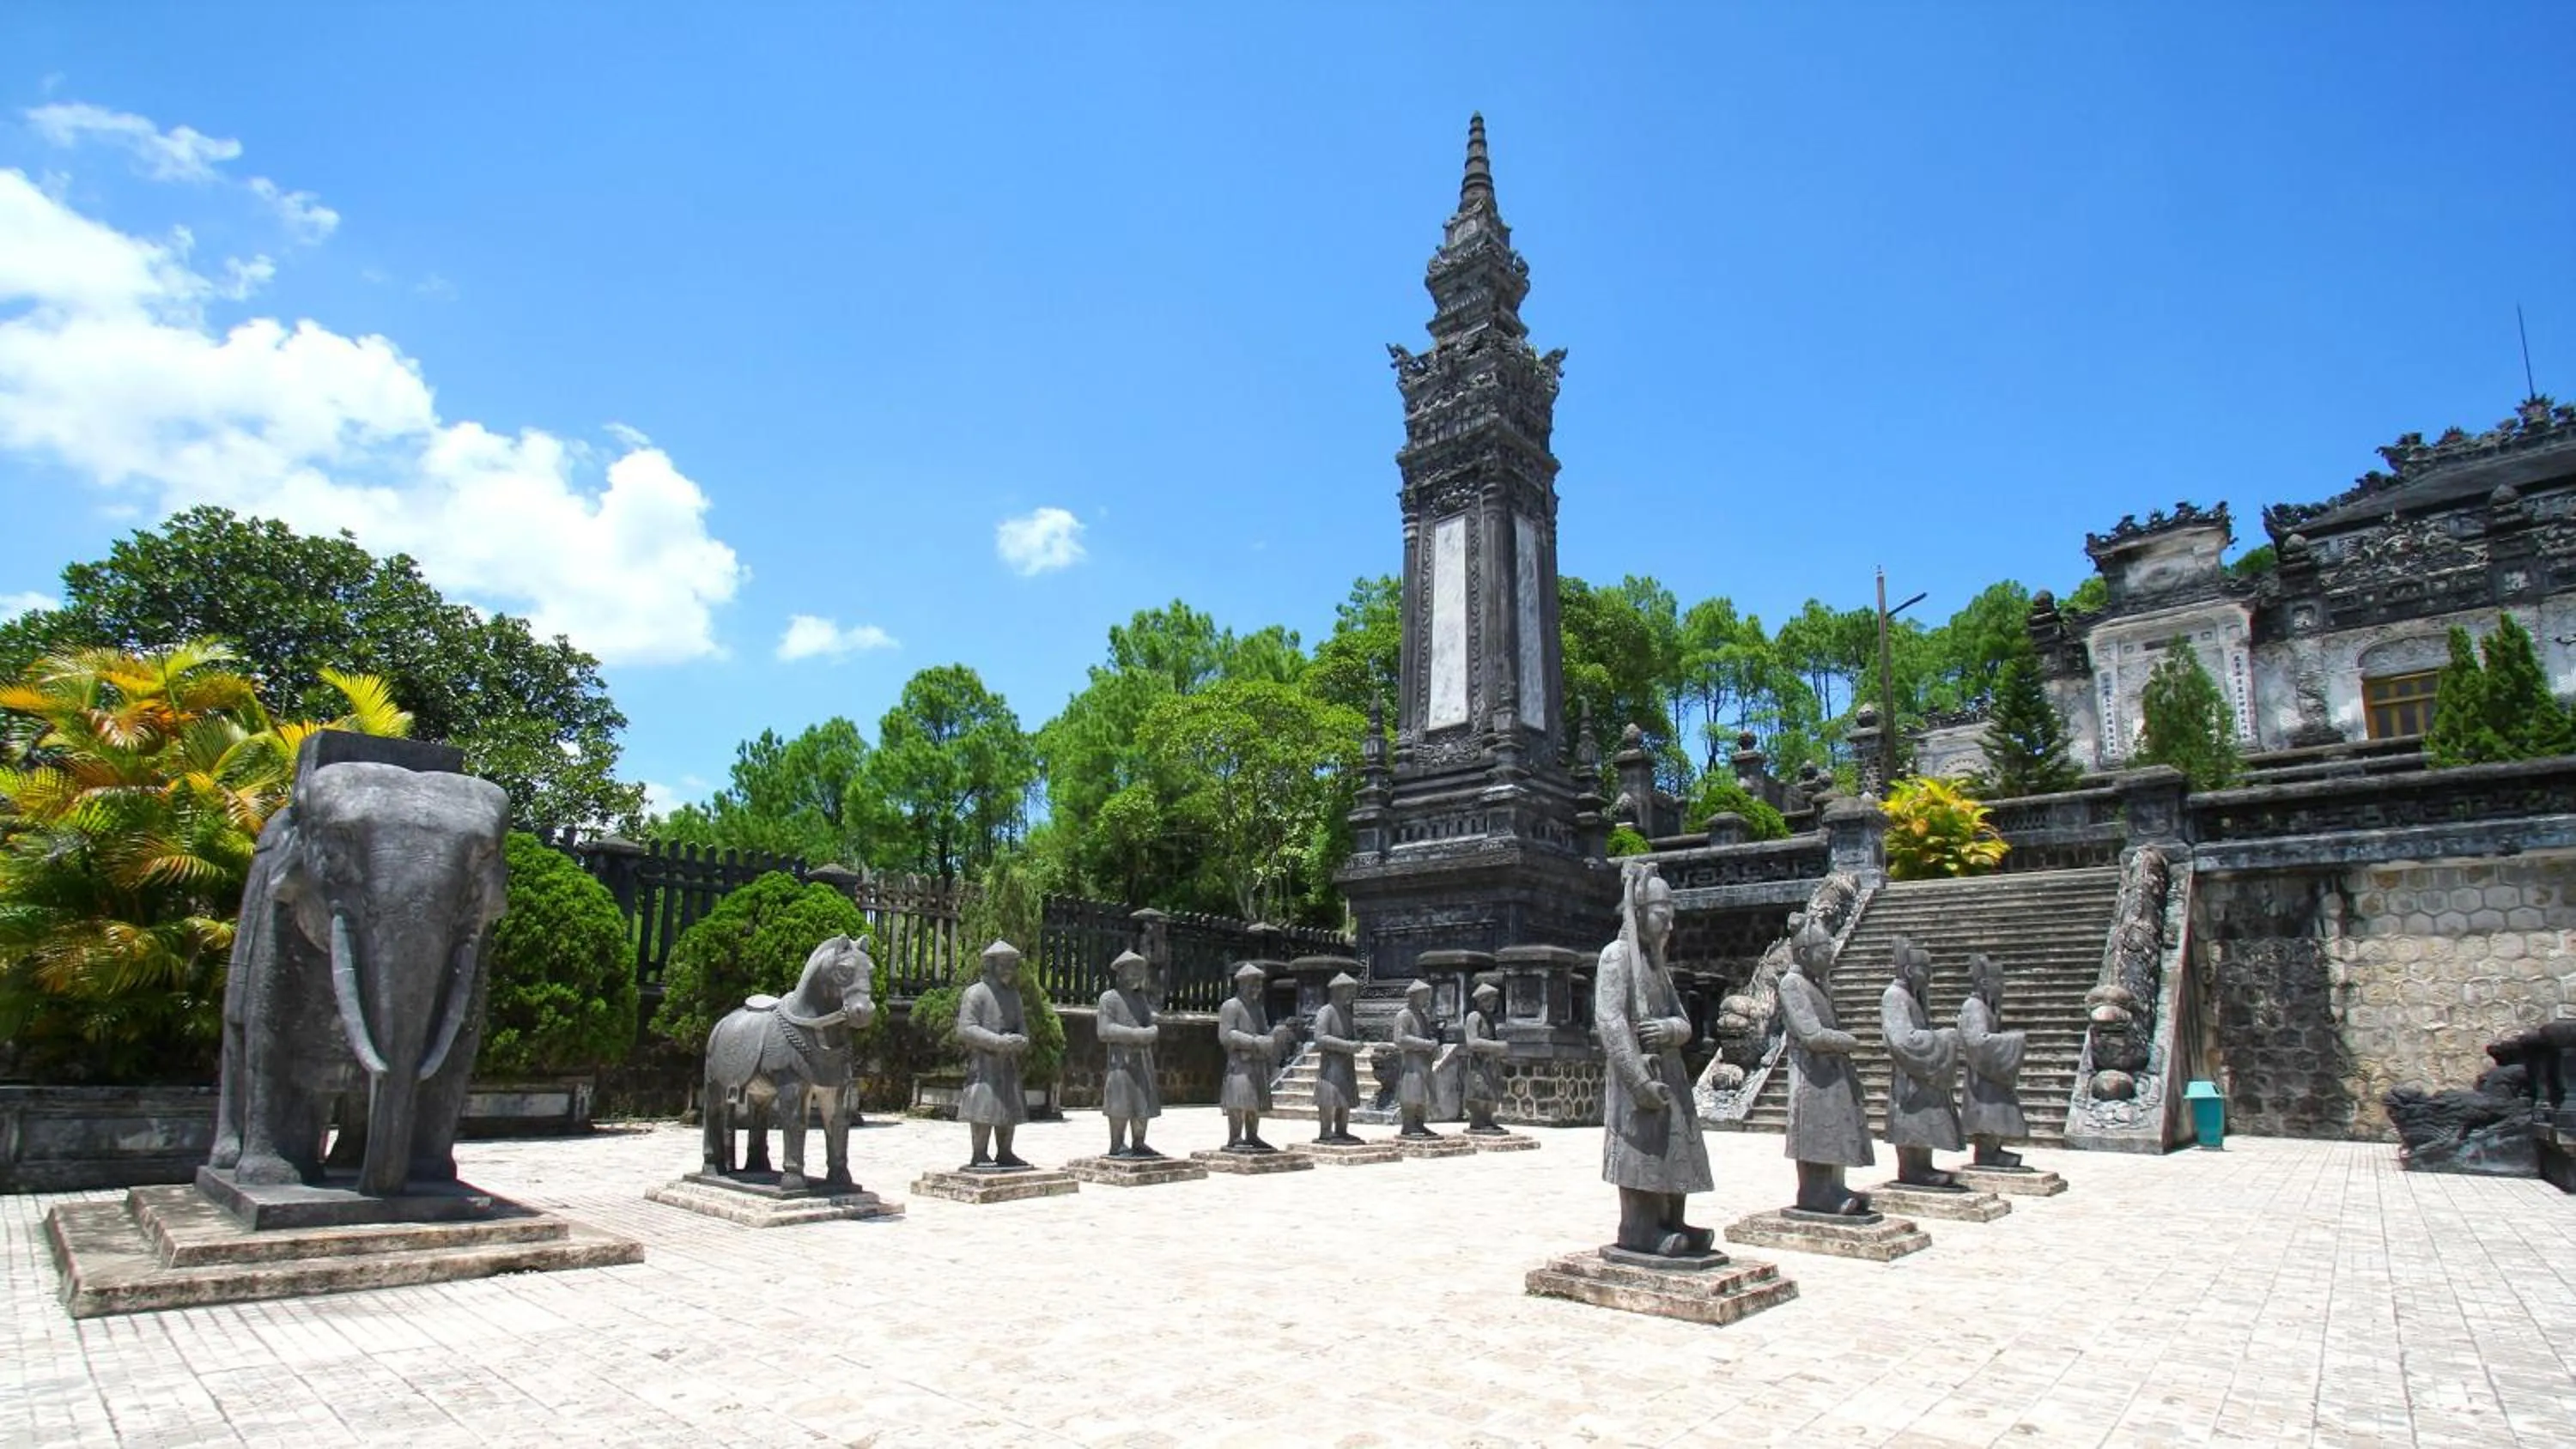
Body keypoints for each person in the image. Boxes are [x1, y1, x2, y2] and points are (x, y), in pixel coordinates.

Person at [1595, 861, 1715, 1256]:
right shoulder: (1616, 957)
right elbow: (1610, 1021)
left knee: (1675, 1150)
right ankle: (1640, 1227)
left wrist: (1669, 1030)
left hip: (1670, 1073)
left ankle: (1673, 1220)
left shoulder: (1655, 966)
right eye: (1664, 915)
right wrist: (1639, 1081)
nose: (1670, 926)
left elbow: (1684, 1022)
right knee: (1641, 1153)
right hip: (1638, 1078)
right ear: (1641, 912)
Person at [1780, 915, 1874, 1215]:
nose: (1830, 954)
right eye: (1824, 949)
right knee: (1816, 1133)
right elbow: (1811, 1034)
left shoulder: (1816, 984)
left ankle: (1834, 1187)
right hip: (1811, 1075)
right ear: (1804, 953)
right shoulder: (1792, 984)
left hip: (1830, 1072)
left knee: (1835, 1132)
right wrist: (1846, 1040)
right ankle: (1815, 1192)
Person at [1880, 937, 1964, 1188]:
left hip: (1920, 1074)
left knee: (1925, 1120)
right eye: (1924, 969)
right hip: (1908, 1077)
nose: (1929, 975)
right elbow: (1901, 1040)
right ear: (1909, 970)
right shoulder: (1894, 997)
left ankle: (1923, 1166)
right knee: (1912, 1121)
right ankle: (1911, 1169)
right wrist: (1945, 1037)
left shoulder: (1913, 997)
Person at [955, 940, 1033, 1171]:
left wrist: (1021, 1040)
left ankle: (1005, 1151)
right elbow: (966, 1028)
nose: (1009, 969)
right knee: (984, 1105)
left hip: (1008, 1060)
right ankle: (979, 1153)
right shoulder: (975, 993)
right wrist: (997, 1041)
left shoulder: (1014, 995)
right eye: (1003, 964)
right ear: (990, 965)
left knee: (1009, 1105)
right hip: (984, 1062)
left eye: (1012, 964)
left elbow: (1022, 1026)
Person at [1957, 954, 2030, 1169]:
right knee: (1988, 1110)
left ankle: (1993, 1150)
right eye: (1999, 981)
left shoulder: (1986, 1007)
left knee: (1996, 1110)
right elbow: (1976, 1041)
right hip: (1982, 1073)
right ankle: (1986, 1153)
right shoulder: (1974, 1006)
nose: (2002, 986)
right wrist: (2014, 1041)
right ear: (1985, 983)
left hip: (1989, 1071)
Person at [1096, 949, 1163, 1159]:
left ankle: (1139, 1142)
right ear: (1121, 972)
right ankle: (1117, 1144)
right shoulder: (1109, 998)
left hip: (1142, 1058)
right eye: (1133, 970)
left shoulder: (1140, 999)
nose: (1137, 975)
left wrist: (1151, 1031)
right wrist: (1135, 1034)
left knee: (1143, 1101)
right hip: (1121, 1060)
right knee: (1120, 1101)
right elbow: (1104, 1030)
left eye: (1140, 971)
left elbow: (1150, 1023)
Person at [1218, 961, 1288, 1150]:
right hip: (1240, 1062)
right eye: (1252, 984)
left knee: (1255, 1101)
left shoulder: (1258, 1008)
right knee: (1239, 1098)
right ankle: (1235, 1137)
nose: (1256, 988)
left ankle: (1252, 1135)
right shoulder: (1231, 1006)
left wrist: (1274, 1036)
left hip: (1257, 1060)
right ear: (1241, 984)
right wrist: (1254, 1041)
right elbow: (1226, 1035)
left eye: (1258, 984)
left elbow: (1263, 1031)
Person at [1310, 972, 1367, 1143]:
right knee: (1329, 1095)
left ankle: (1342, 1130)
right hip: (1331, 1062)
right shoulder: (1326, 1011)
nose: (1351, 994)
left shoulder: (1346, 1013)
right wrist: (1347, 1046)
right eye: (1347, 990)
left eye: (1352, 991)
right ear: (1336, 990)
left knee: (1345, 1096)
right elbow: (1320, 1037)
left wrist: (1355, 1044)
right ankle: (1326, 1131)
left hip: (1346, 1061)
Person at [1392, 979, 1441, 1138]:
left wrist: (1433, 1047)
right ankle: (1409, 1125)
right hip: (1411, 1061)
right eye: (1423, 996)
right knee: (1411, 1094)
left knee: (1422, 1095)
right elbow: (1400, 1039)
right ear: (1413, 996)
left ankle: (1419, 1124)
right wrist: (1426, 1044)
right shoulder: (1404, 1015)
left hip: (1424, 1061)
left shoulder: (1422, 1016)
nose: (1426, 999)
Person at [1461, 980, 1510, 1134]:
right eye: (1488, 1000)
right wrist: (1497, 1046)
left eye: (1493, 1001)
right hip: (1478, 1064)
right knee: (1480, 1090)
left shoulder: (1489, 1019)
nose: (1491, 1004)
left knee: (1490, 1091)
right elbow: (1472, 1042)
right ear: (1480, 1001)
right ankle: (1477, 1121)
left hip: (1490, 1063)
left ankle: (1487, 1119)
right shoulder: (1474, 1017)